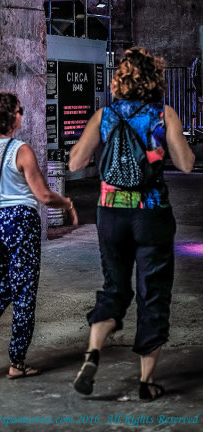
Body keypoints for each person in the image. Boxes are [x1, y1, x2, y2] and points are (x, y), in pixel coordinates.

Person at [68, 47, 195, 400]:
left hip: (110, 213)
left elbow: (76, 162)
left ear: (119, 78)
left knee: (114, 288)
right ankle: (145, 382)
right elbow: (186, 164)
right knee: (152, 294)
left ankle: (93, 353)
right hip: (151, 213)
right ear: (155, 79)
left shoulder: (104, 115)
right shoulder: (163, 114)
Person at [0, 91, 78, 380]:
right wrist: (67, 203)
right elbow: (44, 196)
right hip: (21, 224)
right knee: (23, 293)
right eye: (20, 111)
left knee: (0, 287)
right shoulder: (20, 150)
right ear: (13, 117)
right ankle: (17, 362)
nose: (22, 115)